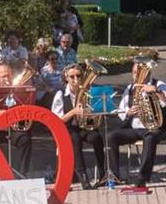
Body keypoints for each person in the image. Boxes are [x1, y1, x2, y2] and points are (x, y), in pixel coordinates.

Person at [107, 59, 166, 188]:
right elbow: (120, 111)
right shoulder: (130, 88)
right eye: (134, 73)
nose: (136, 76)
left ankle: (142, 178)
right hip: (134, 128)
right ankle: (115, 176)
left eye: (139, 73)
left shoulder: (159, 84)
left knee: (150, 138)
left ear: (147, 73)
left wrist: (157, 91)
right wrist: (128, 112)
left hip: (155, 127)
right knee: (112, 136)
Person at [51, 63, 105, 189]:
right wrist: (73, 112)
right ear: (66, 78)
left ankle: (102, 173)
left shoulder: (88, 92)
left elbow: (98, 114)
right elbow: (57, 121)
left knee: (97, 138)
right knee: (74, 140)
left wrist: (92, 114)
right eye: (72, 77)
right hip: (69, 128)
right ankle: (83, 177)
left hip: (85, 126)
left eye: (78, 76)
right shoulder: (60, 95)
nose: (76, 79)